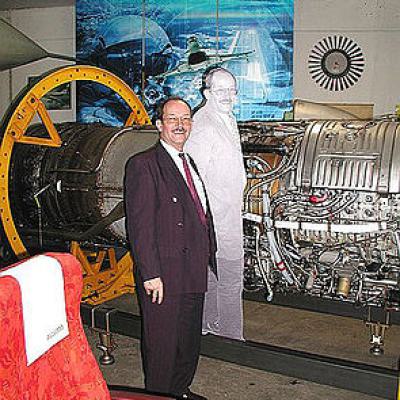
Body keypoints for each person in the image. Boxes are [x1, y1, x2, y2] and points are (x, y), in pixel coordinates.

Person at [124, 97, 217, 400]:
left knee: (188, 341)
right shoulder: (143, 165)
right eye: (172, 118)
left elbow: (200, 214)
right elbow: (140, 226)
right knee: (162, 345)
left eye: (185, 118)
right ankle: (159, 395)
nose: (180, 125)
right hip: (163, 274)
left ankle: (180, 391)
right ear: (159, 124)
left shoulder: (189, 162)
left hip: (192, 269)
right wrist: (151, 274)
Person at [184, 67, 246, 341]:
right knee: (230, 280)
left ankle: (209, 326)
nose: (227, 95)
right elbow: (191, 179)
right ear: (207, 93)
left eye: (231, 90)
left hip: (227, 216)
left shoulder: (226, 119)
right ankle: (232, 338)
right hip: (216, 222)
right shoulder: (204, 126)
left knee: (215, 278)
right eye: (220, 90)